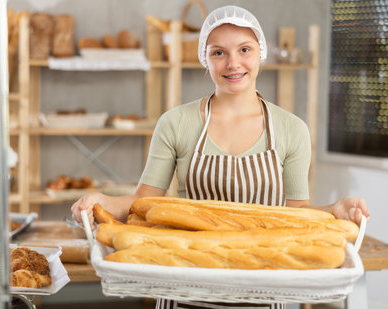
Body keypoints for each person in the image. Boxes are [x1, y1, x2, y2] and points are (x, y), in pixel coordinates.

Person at [72, 5, 370, 309]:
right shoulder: (176, 123)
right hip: (184, 286)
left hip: (264, 292)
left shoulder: (291, 130)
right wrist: (103, 201)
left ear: (260, 54)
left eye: (244, 50)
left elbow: (295, 217)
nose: (233, 63)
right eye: (218, 53)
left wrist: (334, 210)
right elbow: (143, 205)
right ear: (205, 59)